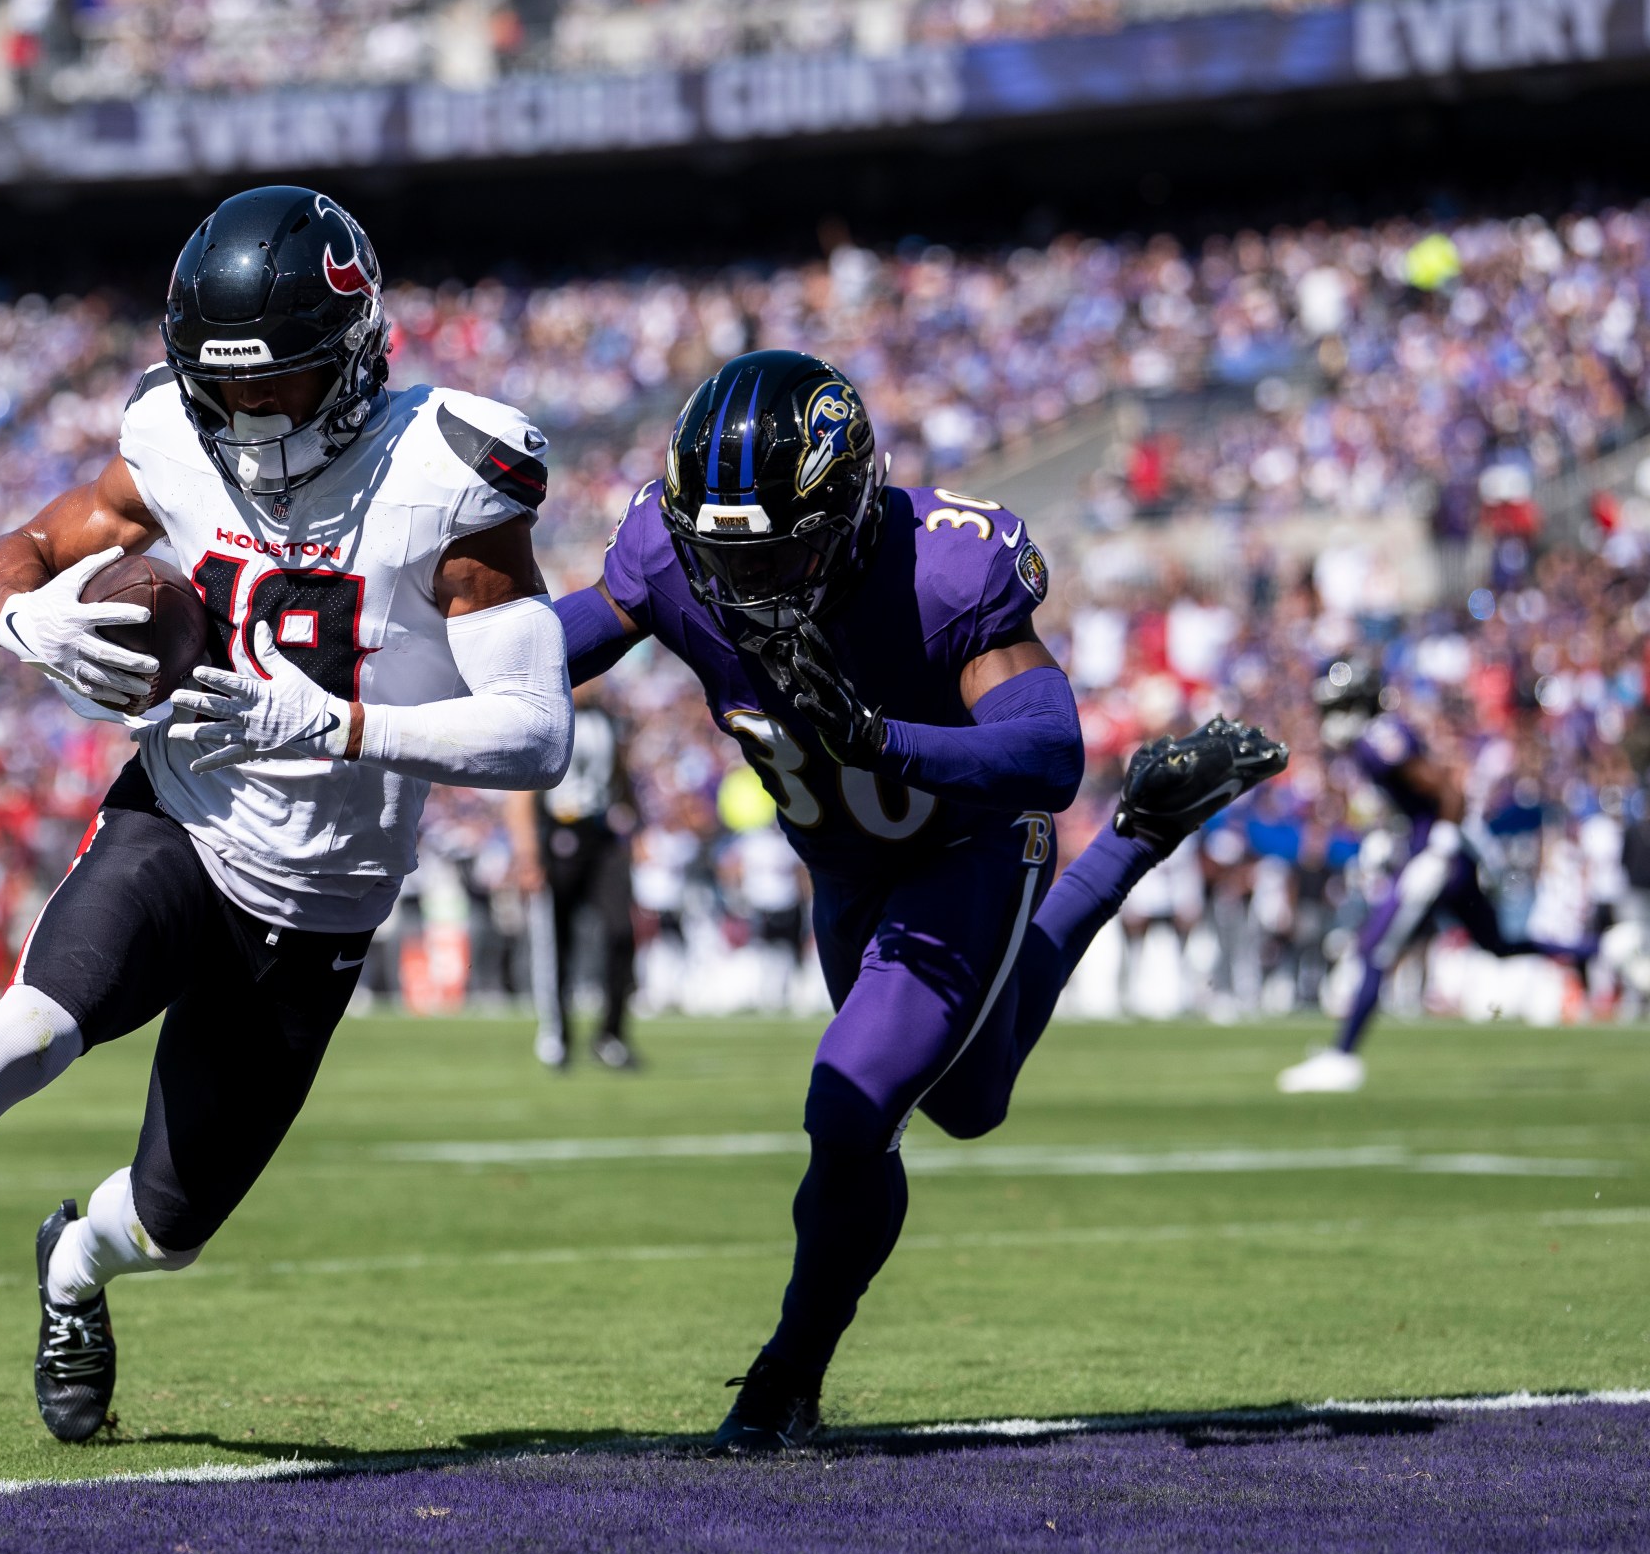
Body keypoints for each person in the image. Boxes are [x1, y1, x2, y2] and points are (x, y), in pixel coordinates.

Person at [0, 186, 574, 1442]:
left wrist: (334, 723)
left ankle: (74, 1260)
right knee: (23, 1030)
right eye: (224, 386)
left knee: (167, 1225)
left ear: (354, 352)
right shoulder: (174, 438)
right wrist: (30, 620)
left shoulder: (445, 472)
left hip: (322, 895)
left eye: (278, 384)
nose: (247, 414)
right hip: (177, 818)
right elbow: (13, 547)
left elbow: (535, 733)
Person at [552, 349, 1288, 1452]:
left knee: (853, 1103)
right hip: (844, 869)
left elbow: (1047, 752)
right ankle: (1141, 837)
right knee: (966, 1100)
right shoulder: (667, 546)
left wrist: (876, 736)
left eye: (782, 551)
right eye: (723, 554)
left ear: (845, 513)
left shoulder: (945, 567)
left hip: (969, 844)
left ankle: (784, 1377)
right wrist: (415, 686)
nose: (747, 583)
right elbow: (565, 639)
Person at [1275, 662, 1644, 1093]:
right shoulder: (1378, 737)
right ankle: (1606, 947)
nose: (1329, 719)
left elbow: (1445, 788)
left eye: (1336, 707)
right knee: (1498, 944)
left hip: (1439, 859)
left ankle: (1343, 1058)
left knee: (1374, 949)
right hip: (1443, 855)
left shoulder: (1378, 742)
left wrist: (1440, 845)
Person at [507, 688, 639, 1069]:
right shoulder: (547, 717)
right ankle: (557, 1032)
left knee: (620, 932)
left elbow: (621, 774)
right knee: (556, 941)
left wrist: (636, 822)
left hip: (600, 835)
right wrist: (528, 855)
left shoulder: (607, 719)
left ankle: (611, 1034)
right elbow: (522, 792)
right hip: (559, 833)